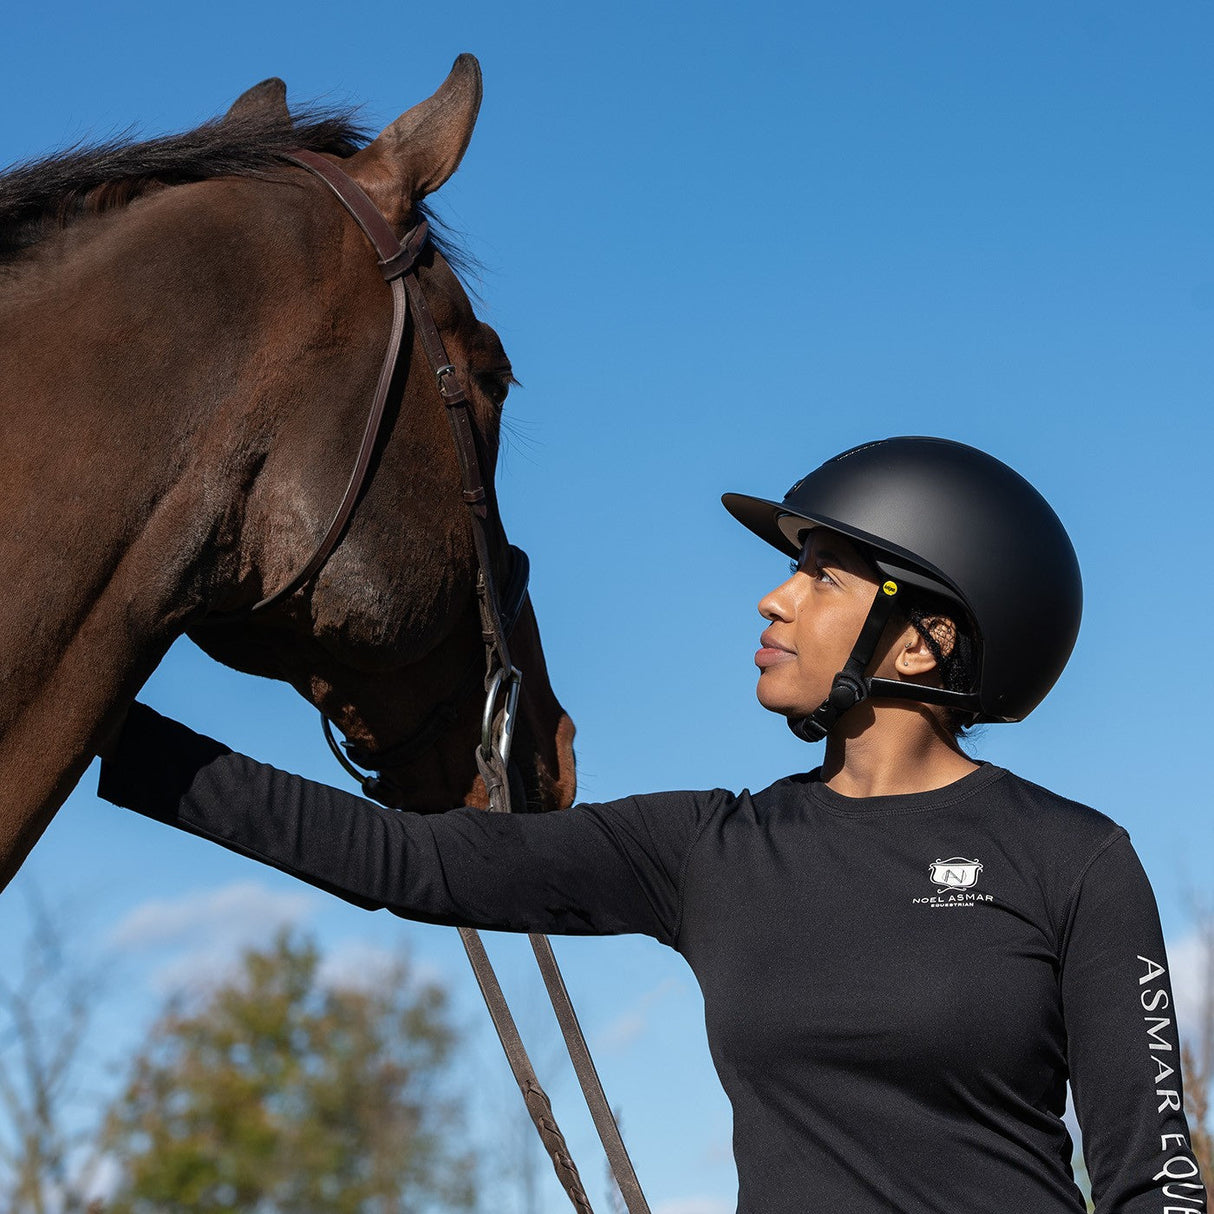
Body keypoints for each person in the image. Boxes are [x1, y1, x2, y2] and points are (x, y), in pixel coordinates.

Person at [98, 436, 1207, 1214]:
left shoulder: (1073, 859)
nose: (773, 599)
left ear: (919, 642)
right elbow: (408, 859)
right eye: (787, 570)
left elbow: (1152, 1182)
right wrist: (101, 722)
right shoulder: (707, 851)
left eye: (820, 577)